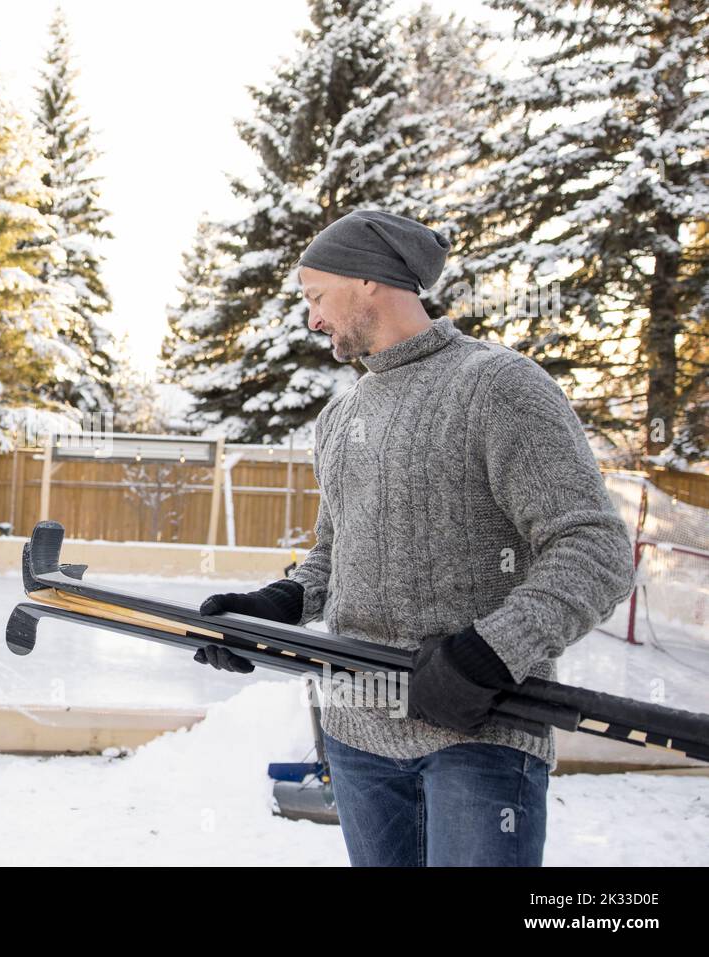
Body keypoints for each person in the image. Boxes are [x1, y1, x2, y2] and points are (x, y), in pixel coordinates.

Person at [196, 209, 635, 867]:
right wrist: (280, 603)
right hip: (355, 732)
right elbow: (334, 550)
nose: (312, 319)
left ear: (369, 279)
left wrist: (491, 651)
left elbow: (595, 546)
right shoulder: (342, 416)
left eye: (316, 296)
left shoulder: (497, 385)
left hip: (480, 730)